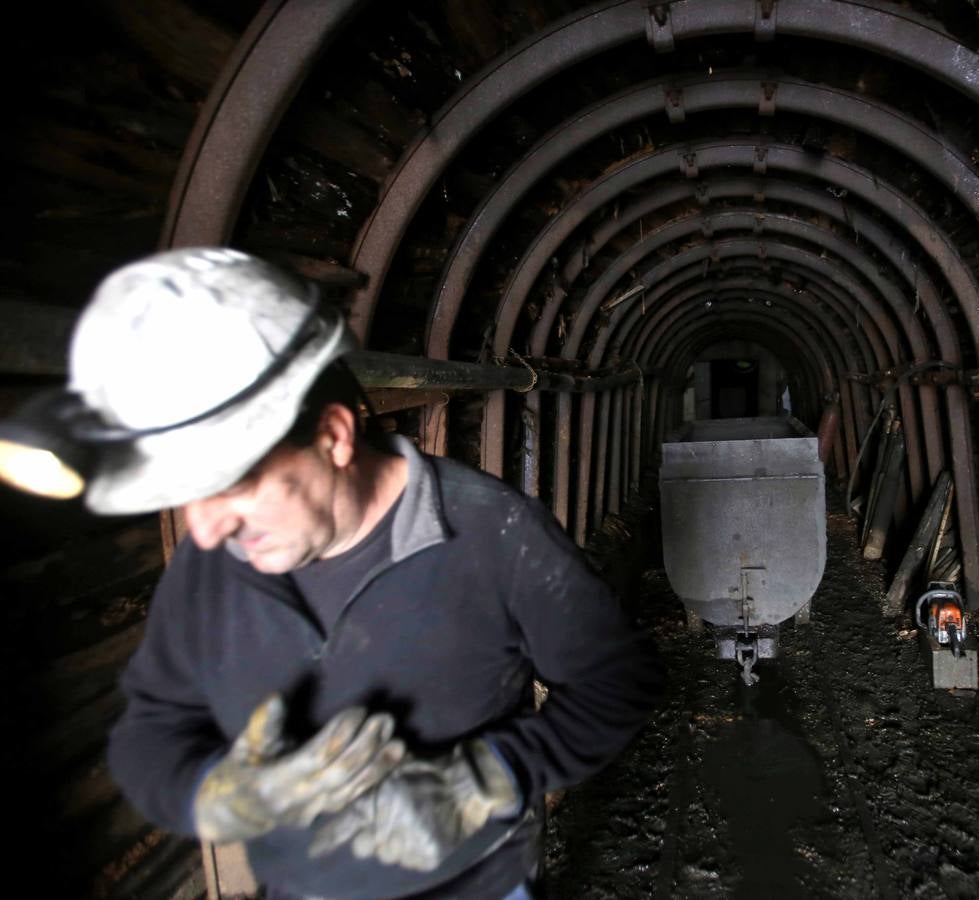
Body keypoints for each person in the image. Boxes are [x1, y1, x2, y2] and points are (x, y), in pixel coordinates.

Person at [49, 248, 661, 899]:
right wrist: (217, 797)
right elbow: (151, 729)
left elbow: (618, 681)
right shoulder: (213, 563)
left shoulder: (489, 530)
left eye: (232, 485)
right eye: (186, 497)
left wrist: (486, 777)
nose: (202, 530)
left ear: (334, 437)